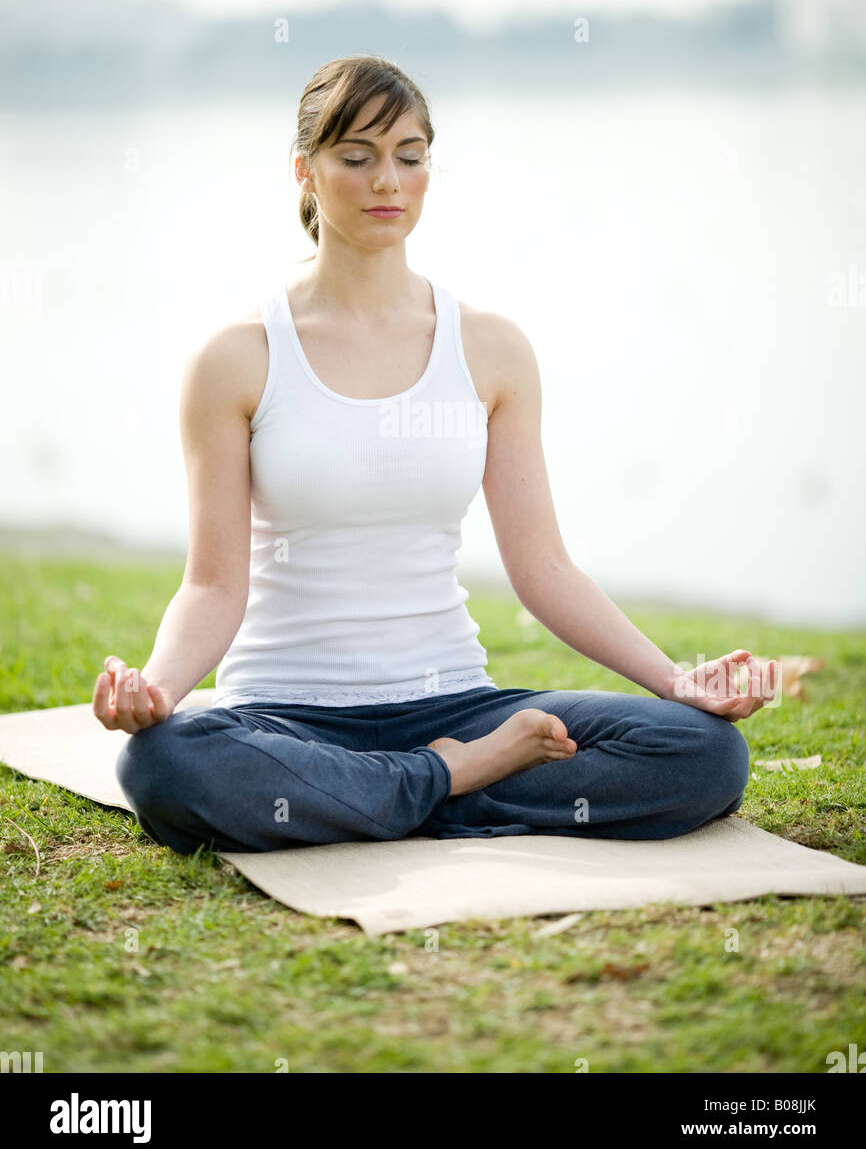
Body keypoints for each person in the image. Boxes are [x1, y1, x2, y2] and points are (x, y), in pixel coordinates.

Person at [95, 54, 779, 855]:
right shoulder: (237, 357)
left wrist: (677, 681)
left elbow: (544, 569)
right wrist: (160, 689)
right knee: (166, 765)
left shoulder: (490, 348)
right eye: (357, 157)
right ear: (305, 172)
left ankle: (387, 793)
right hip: (288, 715)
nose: (388, 179)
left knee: (700, 752)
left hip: (454, 700)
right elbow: (212, 584)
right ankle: (455, 781)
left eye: (410, 157)